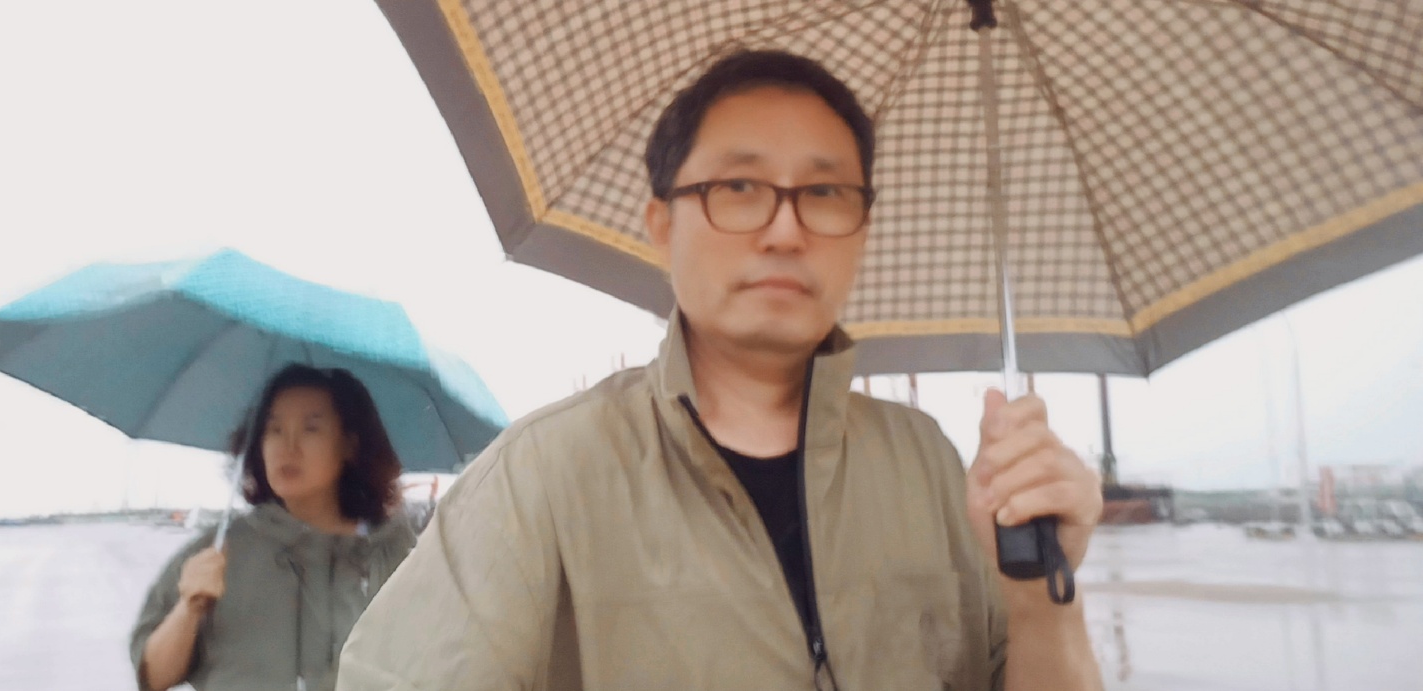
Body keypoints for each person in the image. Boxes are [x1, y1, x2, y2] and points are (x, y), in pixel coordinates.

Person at [339, 50, 1103, 690]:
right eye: (739, 187)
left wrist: (1044, 600)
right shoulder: (542, 475)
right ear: (661, 224)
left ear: (862, 228)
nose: (785, 230)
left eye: (825, 192)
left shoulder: (930, 463)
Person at [131, 364, 417, 691]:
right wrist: (189, 608)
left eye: (311, 429)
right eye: (274, 429)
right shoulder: (221, 551)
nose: (288, 446)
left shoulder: (395, 556)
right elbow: (153, 677)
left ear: (349, 445)